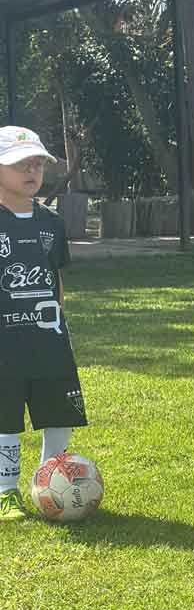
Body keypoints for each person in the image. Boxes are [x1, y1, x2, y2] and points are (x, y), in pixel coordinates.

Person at [0, 127, 87, 521]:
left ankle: (49, 481)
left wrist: (60, 323)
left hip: (48, 337)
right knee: (5, 415)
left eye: (37, 164)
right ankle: (6, 491)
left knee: (58, 410)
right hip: (5, 342)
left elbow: (56, 278)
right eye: (20, 164)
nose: (31, 171)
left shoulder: (51, 223)